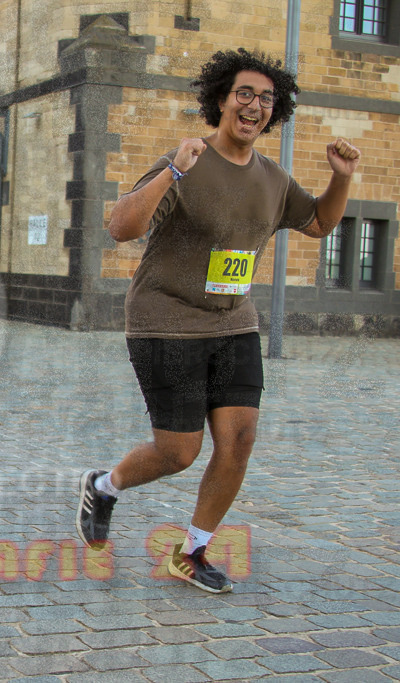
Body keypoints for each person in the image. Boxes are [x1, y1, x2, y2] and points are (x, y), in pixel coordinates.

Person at [75, 48, 361, 593]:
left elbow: (321, 221)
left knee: (239, 438)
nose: (254, 106)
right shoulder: (186, 157)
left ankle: (194, 550)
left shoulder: (273, 179)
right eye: (244, 94)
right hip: (166, 321)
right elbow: (121, 227)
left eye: (266, 99)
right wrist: (174, 171)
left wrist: (341, 177)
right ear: (222, 101)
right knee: (178, 452)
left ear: (274, 112)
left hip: (233, 324)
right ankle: (104, 485)